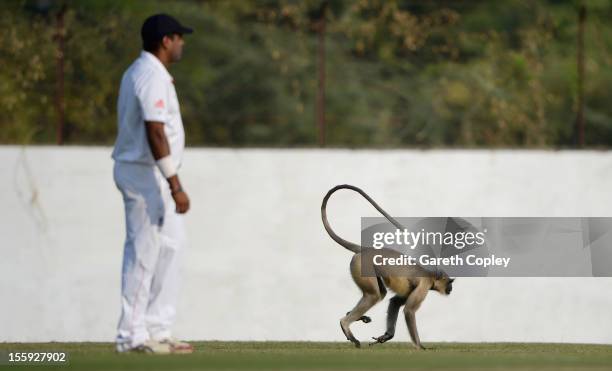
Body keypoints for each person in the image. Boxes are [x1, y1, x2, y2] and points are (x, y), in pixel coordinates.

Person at [111, 13, 194, 354]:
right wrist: (175, 183)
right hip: (144, 175)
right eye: (179, 37)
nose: (182, 43)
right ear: (166, 41)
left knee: (172, 246)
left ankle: (158, 328)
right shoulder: (149, 75)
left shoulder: (152, 73)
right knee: (144, 253)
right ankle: (131, 337)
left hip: (154, 175)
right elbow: (155, 131)